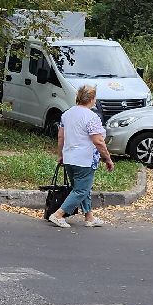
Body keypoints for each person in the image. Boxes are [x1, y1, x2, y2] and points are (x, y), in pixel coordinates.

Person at [46, 83, 115, 229]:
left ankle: (89, 217)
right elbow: (98, 141)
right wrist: (107, 158)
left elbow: (61, 137)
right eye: (95, 98)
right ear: (91, 99)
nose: (95, 101)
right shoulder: (92, 117)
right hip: (84, 160)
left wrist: (61, 155)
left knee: (82, 188)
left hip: (69, 158)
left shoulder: (67, 114)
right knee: (81, 190)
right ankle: (58, 215)